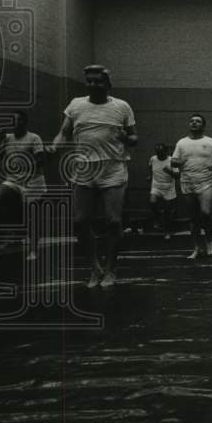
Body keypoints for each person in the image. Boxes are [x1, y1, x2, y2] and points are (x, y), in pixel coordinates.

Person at [50, 65, 137, 289]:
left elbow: (134, 138)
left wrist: (126, 136)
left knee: (113, 221)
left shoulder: (122, 107)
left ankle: (110, 270)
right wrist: (54, 147)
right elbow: (64, 132)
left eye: (97, 81)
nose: (92, 85)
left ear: (107, 84)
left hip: (113, 168)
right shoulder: (76, 105)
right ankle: (94, 267)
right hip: (84, 169)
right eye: (89, 80)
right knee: (79, 222)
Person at [0, 110, 48, 260]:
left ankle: (33, 250)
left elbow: (41, 160)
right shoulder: (7, 138)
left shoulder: (34, 138)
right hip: (13, 180)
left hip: (33, 182)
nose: (13, 123)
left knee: (32, 216)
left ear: (24, 123)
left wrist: (26, 169)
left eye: (16, 120)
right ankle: (12, 231)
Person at [171, 115, 212, 259]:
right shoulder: (181, 142)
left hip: (206, 181)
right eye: (192, 121)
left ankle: (209, 241)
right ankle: (196, 247)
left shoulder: (210, 141)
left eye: (198, 121)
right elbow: (174, 161)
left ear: (203, 126)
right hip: (187, 182)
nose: (194, 123)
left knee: (205, 212)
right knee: (193, 218)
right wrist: (178, 162)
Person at [148, 143, 179, 239]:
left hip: (168, 188)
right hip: (156, 186)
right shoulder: (153, 159)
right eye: (157, 153)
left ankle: (167, 231)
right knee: (152, 202)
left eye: (161, 153)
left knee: (168, 211)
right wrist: (150, 176)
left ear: (165, 152)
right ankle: (158, 218)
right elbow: (150, 167)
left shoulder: (172, 161)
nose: (159, 155)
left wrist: (169, 171)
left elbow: (178, 176)